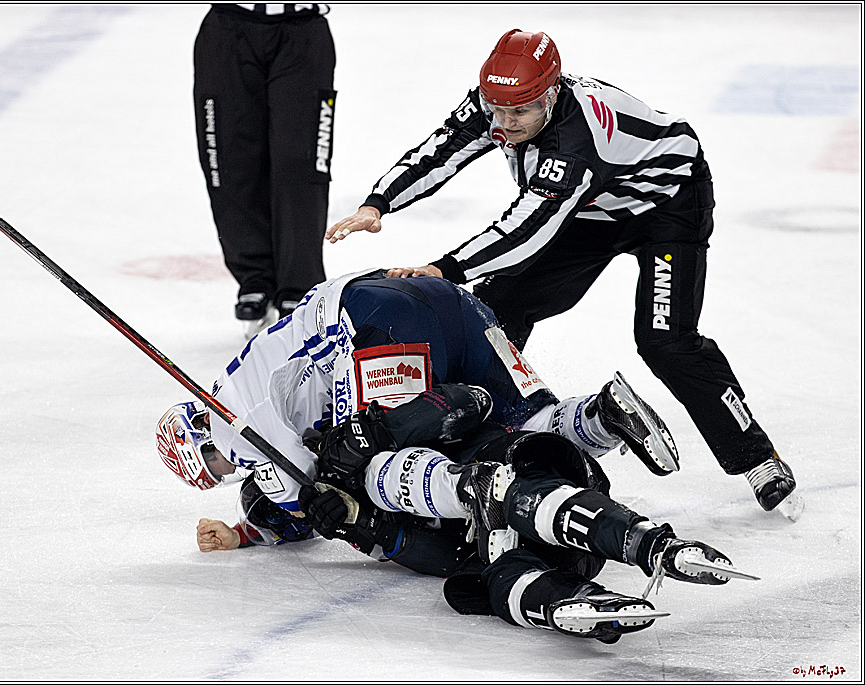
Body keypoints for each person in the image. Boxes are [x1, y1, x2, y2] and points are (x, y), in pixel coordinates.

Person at [325, 29, 802, 520]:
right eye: (497, 111)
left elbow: (525, 230)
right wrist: (379, 202)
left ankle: (757, 457)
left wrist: (445, 269)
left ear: (551, 96)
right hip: (592, 208)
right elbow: (444, 148)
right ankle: (482, 432)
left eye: (520, 114)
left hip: (666, 208)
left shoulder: (574, 141)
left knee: (666, 341)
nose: (505, 125)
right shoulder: (501, 104)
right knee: (497, 308)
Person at [161, 383, 756, 644]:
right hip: (450, 539)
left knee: (511, 491)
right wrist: (242, 534)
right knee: (480, 581)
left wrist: (378, 434)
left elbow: (465, 401)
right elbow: (284, 521)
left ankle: (648, 542)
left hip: (502, 469)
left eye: (213, 457)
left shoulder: (319, 415)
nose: (224, 469)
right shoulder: (268, 487)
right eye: (214, 471)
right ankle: (560, 602)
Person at [177, 269, 680, 516]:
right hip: (437, 298)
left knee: (370, 464)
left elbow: (302, 493)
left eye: (213, 472)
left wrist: (256, 528)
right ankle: (602, 415)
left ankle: (472, 490)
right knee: (529, 417)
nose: (229, 474)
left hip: (372, 329)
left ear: (202, 441)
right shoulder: (241, 381)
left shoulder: (230, 427)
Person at [193, 3, 336, 337]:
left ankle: (299, 286)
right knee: (228, 160)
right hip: (228, 30)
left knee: (300, 163)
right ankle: (254, 275)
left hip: (301, 32)